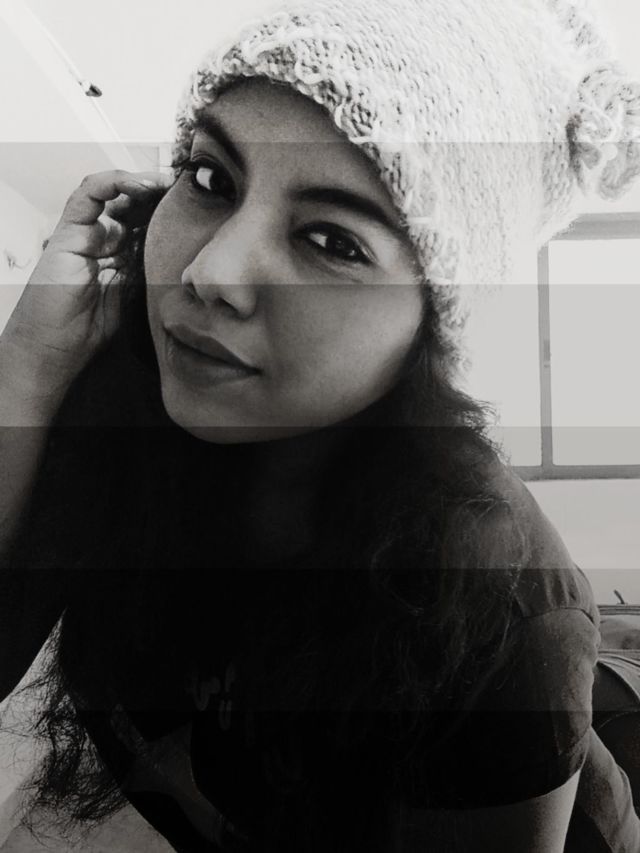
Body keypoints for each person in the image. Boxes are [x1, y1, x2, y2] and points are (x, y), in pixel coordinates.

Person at [1, 0, 640, 850]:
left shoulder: (504, 601)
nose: (210, 272)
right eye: (211, 179)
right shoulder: (118, 416)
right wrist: (29, 365)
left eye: (333, 241)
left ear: (431, 328)